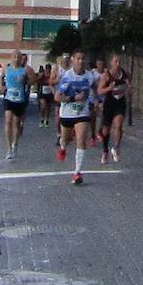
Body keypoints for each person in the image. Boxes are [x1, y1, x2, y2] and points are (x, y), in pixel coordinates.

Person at [54, 50, 95, 185]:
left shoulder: (90, 76)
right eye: (78, 58)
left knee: (81, 139)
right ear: (73, 60)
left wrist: (97, 100)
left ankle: (77, 172)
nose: (81, 61)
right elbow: (57, 97)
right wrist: (73, 98)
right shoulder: (67, 77)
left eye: (83, 58)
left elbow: (95, 88)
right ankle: (63, 147)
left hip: (82, 113)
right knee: (66, 139)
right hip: (67, 113)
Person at [96, 54, 130, 164]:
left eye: (119, 62)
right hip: (109, 104)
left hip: (120, 103)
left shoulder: (125, 74)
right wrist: (109, 88)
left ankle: (116, 148)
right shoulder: (106, 75)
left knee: (118, 125)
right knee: (106, 130)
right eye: (116, 62)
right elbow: (99, 91)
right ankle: (105, 151)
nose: (118, 64)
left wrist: (129, 87)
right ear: (111, 63)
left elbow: (129, 87)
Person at [1, 53, 33, 160]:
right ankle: (9, 149)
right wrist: (1, 86)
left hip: (19, 99)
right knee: (8, 121)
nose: (16, 59)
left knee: (16, 124)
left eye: (18, 57)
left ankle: (15, 144)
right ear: (11, 58)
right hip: (8, 98)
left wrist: (26, 81)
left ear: (21, 59)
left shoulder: (25, 70)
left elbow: (33, 81)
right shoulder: (7, 68)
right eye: (14, 57)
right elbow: (0, 77)